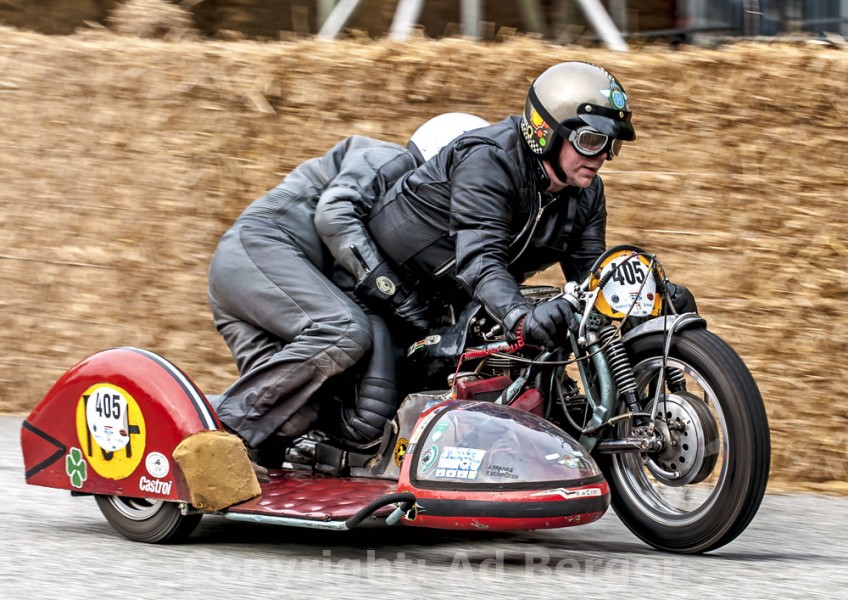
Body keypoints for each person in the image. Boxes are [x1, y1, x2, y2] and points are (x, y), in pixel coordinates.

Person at [206, 113, 490, 477]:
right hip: (261, 248)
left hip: (273, 278)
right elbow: (334, 215)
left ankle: (187, 422)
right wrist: (401, 297)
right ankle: (220, 440)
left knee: (297, 415)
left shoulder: (421, 215)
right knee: (344, 330)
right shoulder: (388, 158)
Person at [365, 61, 696, 352]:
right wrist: (520, 317)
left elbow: (591, 281)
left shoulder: (587, 193)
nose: (603, 157)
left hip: (457, 305)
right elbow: (480, 260)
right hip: (386, 296)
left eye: (612, 145)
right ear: (548, 132)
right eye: (591, 141)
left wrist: (647, 299)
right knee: (374, 405)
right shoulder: (490, 161)